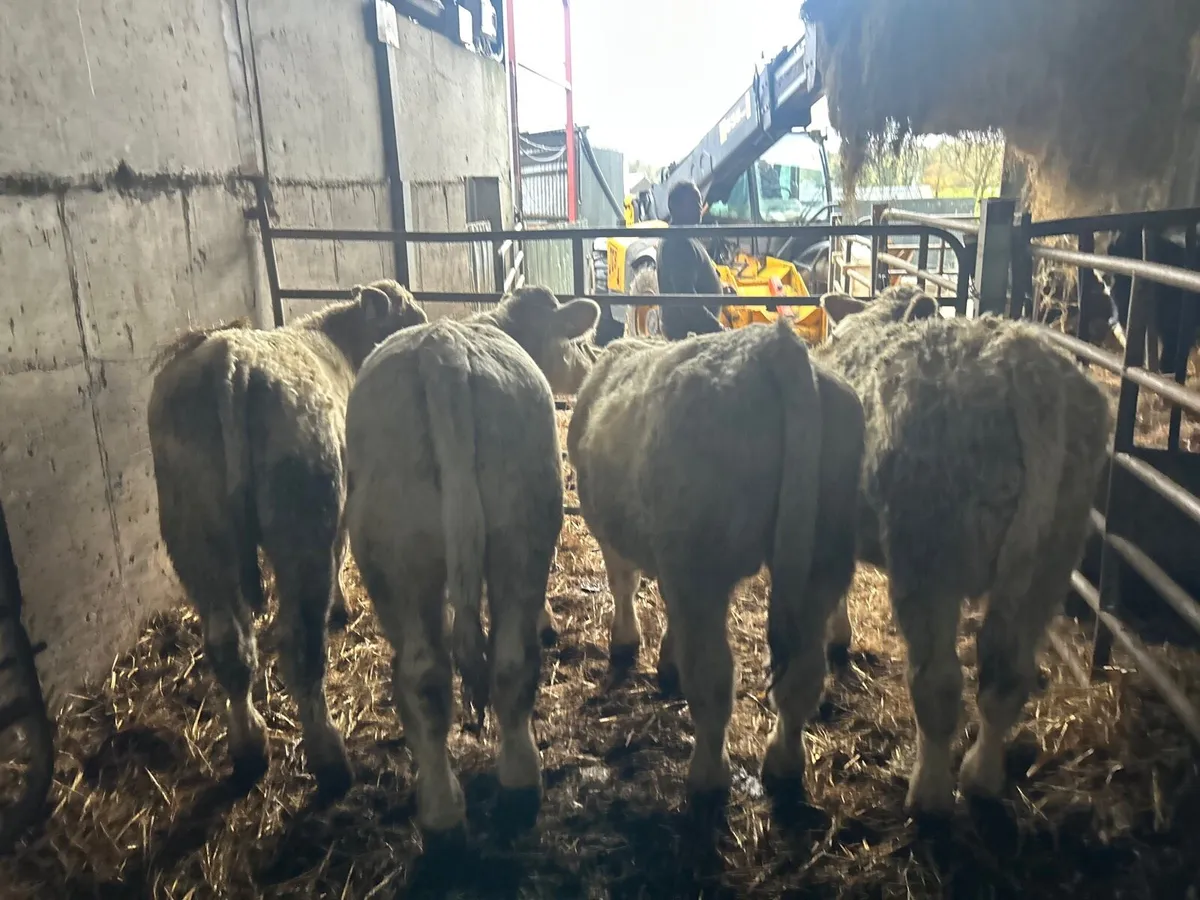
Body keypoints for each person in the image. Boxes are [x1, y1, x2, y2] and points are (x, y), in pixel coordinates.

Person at [657, 180, 728, 340]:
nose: (698, 207)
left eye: (699, 201)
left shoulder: (686, 236)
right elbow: (686, 301)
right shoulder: (678, 244)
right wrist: (718, 330)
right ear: (673, 206)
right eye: (692, 203)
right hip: (689, 336)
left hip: (695, 332)